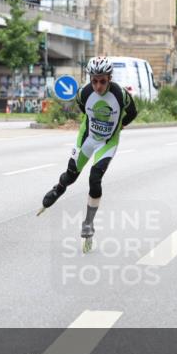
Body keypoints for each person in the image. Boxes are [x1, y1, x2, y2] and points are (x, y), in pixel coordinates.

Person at [40, 56, 138, 240]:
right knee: (71, 175)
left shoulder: (120, 94)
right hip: (88, 137)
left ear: (110, 79)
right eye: (94, 81)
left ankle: (88, 223)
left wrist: (121, 125)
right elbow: (82, 107)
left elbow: (133, 112)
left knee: (95, 178)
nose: (98, 86)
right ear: (90, 79)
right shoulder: (84, 93)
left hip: (108, 142)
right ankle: (59, 188)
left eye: (102, 81)